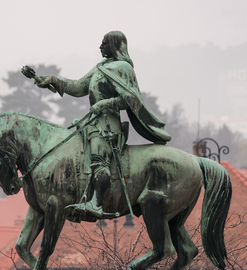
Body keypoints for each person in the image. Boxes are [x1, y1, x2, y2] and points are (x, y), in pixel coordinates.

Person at [37, 31, 171, 218]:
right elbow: (77, 87)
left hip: (109, 125)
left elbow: (132, 101)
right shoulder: (101, 67)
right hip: (92, 122)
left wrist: (105, 104)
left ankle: (97, 203)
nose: (100, 47)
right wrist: (53, 79)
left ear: (115, 46)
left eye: (104, 44)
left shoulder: (124, 68)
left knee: (100, 160)